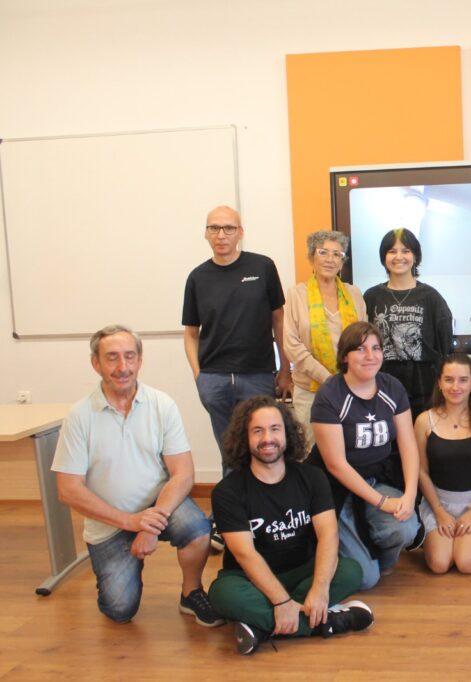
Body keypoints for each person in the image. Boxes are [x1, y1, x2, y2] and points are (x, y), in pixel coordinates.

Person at [52, 325, 221, 626]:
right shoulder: (79, 416)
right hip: (109, 524)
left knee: (197, 528)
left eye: (130, 357)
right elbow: (68, 490)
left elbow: (183, 473)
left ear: (140, 360)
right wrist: (129, 522)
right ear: (96, 363)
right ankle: (122, 568)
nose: (122, 367)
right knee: (119, 610)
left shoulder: (161, 405)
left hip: (157, 507)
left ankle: (191, 592)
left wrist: (150, 525)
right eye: (112, 358)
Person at [208, 396, 372, 655]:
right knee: (222, 595)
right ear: (245, 437)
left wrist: (319, 588)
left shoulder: (312, 477)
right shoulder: (227, 491)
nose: (267, 439)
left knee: (351, 570)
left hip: (302, 571)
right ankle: (330, 622)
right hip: (249, 578)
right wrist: (281, 600)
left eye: (275, 429)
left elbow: (328, 534)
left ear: (287, 433)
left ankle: (262, 627)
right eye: (257, 431)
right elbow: (244, 554)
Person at [183, 205, 292, 549]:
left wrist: (285, 369)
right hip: (214, 381)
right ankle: (232, 525)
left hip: (258, 377)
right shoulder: (197, 277)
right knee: (230, 454)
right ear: (205, 233)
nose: (221, 235)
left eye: (228, 228)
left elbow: (279, 322)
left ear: (241, 232)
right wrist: (200, 376)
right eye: (214, 228)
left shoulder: (262, 267)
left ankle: (260, 521)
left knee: (264, 449)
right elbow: (190, 333)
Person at [308, 321, 420, 590]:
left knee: (406, 528)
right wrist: (383, 503)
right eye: (360, 349)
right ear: (345, 356)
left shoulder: (392, 387)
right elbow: (336, 465)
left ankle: (379, 558)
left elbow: (408, 446)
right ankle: (354, 554)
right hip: (336, 487)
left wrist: (409, 496)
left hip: (376, 478)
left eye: (376, 348)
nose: (370, 356)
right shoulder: (330, 395)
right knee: (366, 581)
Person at [415, 353, 471, 574]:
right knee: (439, 564)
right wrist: (439, 512)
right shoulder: (424, 420)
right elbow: (421, 472)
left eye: (463, 380)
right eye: (449, 379)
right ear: (439, 383)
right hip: (438, 502)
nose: (456, 386)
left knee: (466, 563)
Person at [284, 230, 367, 450]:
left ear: (342, 262)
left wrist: (347, 380)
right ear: (312, 257)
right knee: (310, 450)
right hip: (310, 390)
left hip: (352, 388)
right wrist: (329, 380)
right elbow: (292, 345)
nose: (330, 259)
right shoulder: (296, 294)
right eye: (323, 253)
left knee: (350, 447)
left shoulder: (354, 294)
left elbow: (364, 340)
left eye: (337, 254)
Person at [363, 228, 453, 420]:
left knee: (422, 437)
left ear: (415, 256)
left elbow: (444, 344)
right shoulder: (371, 297)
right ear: (383, 257)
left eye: (406, 250)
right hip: (381, 380)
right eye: (392, 251)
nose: (399, 257)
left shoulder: (431, 297)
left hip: (423, 384)